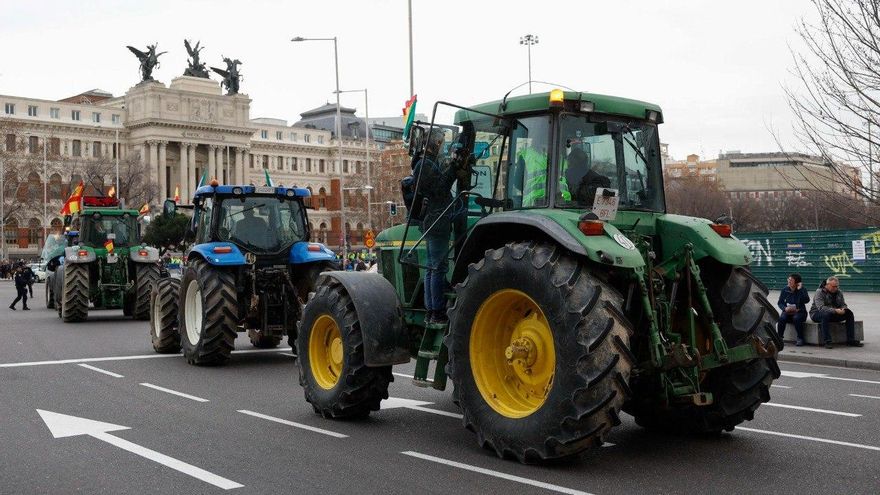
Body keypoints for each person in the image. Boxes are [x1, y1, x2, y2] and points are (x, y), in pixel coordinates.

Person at [416, 128, 459, 324]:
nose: (443, 145)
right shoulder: (426, 165)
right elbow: (440, 189)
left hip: (434, 219)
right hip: (437, 219)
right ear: (435, 143)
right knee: (437, 267)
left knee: (432, 267)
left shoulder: (425, 163)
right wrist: (453, 169)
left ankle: (431, 311)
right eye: (441, 142)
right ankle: (436, 311)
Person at [809, 276, 862, 349]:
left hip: (834, 313)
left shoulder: (839, 292)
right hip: (817, 313)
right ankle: (827, 341)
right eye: (833, 286)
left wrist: (843, 309)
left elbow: (843, 304)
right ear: (827, 285)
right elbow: (821, 308)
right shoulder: (819, 292)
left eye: (837, 286)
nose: (835, 288)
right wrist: (835, 310)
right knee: (825, 315)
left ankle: (850, 340)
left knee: (849, 313)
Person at [777, 273, 810, 346]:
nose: (789, 281)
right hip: (788, 312)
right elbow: (780, 303)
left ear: (797, 282)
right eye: (788, 280)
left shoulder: (802, 289)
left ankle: (800, 338)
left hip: (800, 312)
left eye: (791, 280)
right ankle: (779, 338)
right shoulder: (785, 290)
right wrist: (785, 308)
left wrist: (800, 290)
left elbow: (806, 300)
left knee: (796, 318)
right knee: (782, 318)